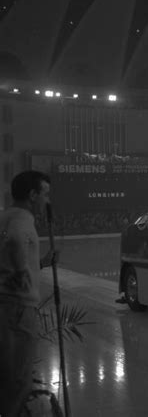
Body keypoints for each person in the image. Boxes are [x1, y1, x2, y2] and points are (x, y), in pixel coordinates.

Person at [0, 171, 57, 417]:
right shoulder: (23, 218)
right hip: (19, 310)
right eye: (45, 194)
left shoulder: (6, 216)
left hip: (7, 307)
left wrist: (40, 263)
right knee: (18, 380)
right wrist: (23, 270)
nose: (47, 201)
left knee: (8, 377)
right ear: (32, 195)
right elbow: (15, 240)